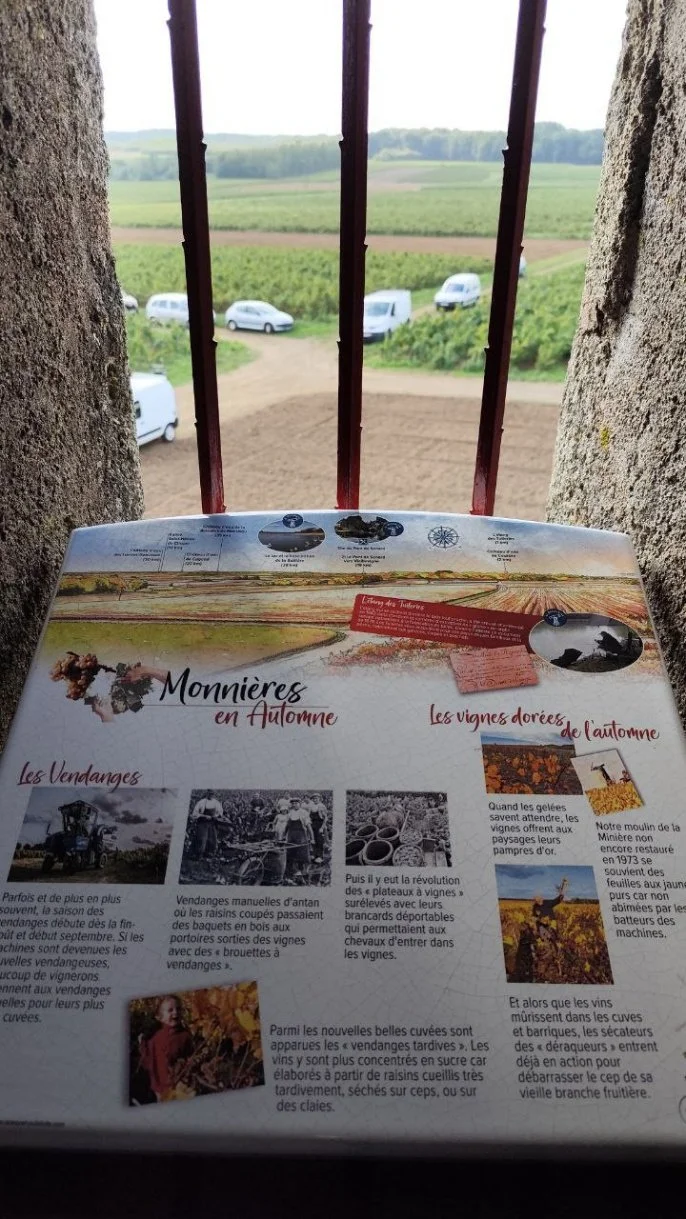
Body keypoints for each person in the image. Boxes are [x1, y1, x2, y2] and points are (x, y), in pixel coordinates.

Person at [137, 995, 193, 1103]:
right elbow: (148, 1062)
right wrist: (143, 1045)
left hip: (180, 1086)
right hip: (160, 1088)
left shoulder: (185, 1036)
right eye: (170, 1010)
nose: (175, 1013)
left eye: (178, 1009)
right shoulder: (155, 1039)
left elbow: (190, 1057)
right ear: (160, 1017)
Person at [284, 796, 314, 881]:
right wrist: (283, 835)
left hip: (301, 835)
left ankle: (303, 871)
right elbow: (287, 826)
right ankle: (293, 870)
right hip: (291, 835)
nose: (294, 805)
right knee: (291, 852)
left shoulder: (304, 813)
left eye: (296, 803)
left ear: (299, 804)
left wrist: (312, 838)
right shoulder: (290, 813)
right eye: (293, 803)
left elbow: (309, 827)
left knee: (302, 853)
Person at [189, 790, 225, 859]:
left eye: (212, 794)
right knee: (202, 839)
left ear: (214, 794)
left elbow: (220, 812)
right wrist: (204, 816)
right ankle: (199, 855)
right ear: (207, 793)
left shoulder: (216, 802)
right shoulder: (201, 802)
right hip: (202, 823)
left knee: (212, 838)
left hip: (212, 823)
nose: (211, 795)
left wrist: (216, 816)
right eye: (210, 793)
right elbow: (194, 813)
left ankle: (209, 854)